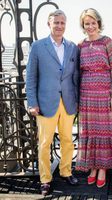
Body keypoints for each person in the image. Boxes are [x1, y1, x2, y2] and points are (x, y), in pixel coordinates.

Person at [75, 8, 112, 188]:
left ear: (99, 24)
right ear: (83, 26)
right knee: (91, 130)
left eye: (94, 22)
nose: (91, 26)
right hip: (87, 94)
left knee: (107, 129)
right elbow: (78, 72)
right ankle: (93, 166)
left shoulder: (106, 42)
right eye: (87, 23)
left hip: (104, 93)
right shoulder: (80, 45)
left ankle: (103, 167)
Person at [26, 9, 80, 195]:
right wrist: (32, 102)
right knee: (44, 143)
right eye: (56, 22)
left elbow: (75, 76)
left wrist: (78, 100)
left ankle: (66, 171)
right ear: (49, 24)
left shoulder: (73, 47)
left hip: (68, 102)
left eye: (62, 23)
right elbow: (31, 77)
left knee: (67, 140)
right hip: (45, 103)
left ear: (66, 25)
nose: (59, 26)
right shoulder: (38, 47)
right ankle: (45, 179)